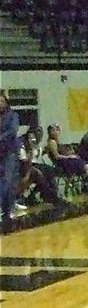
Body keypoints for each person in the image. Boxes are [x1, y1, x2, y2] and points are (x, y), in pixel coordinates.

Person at [0, 92, 21, 227]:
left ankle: (7, 208)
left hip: (9, 152)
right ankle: (6, 209)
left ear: (7, 103)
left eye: (2, 101)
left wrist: (1, 138)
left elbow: (12, 131)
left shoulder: (12, 116)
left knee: (7, 181)